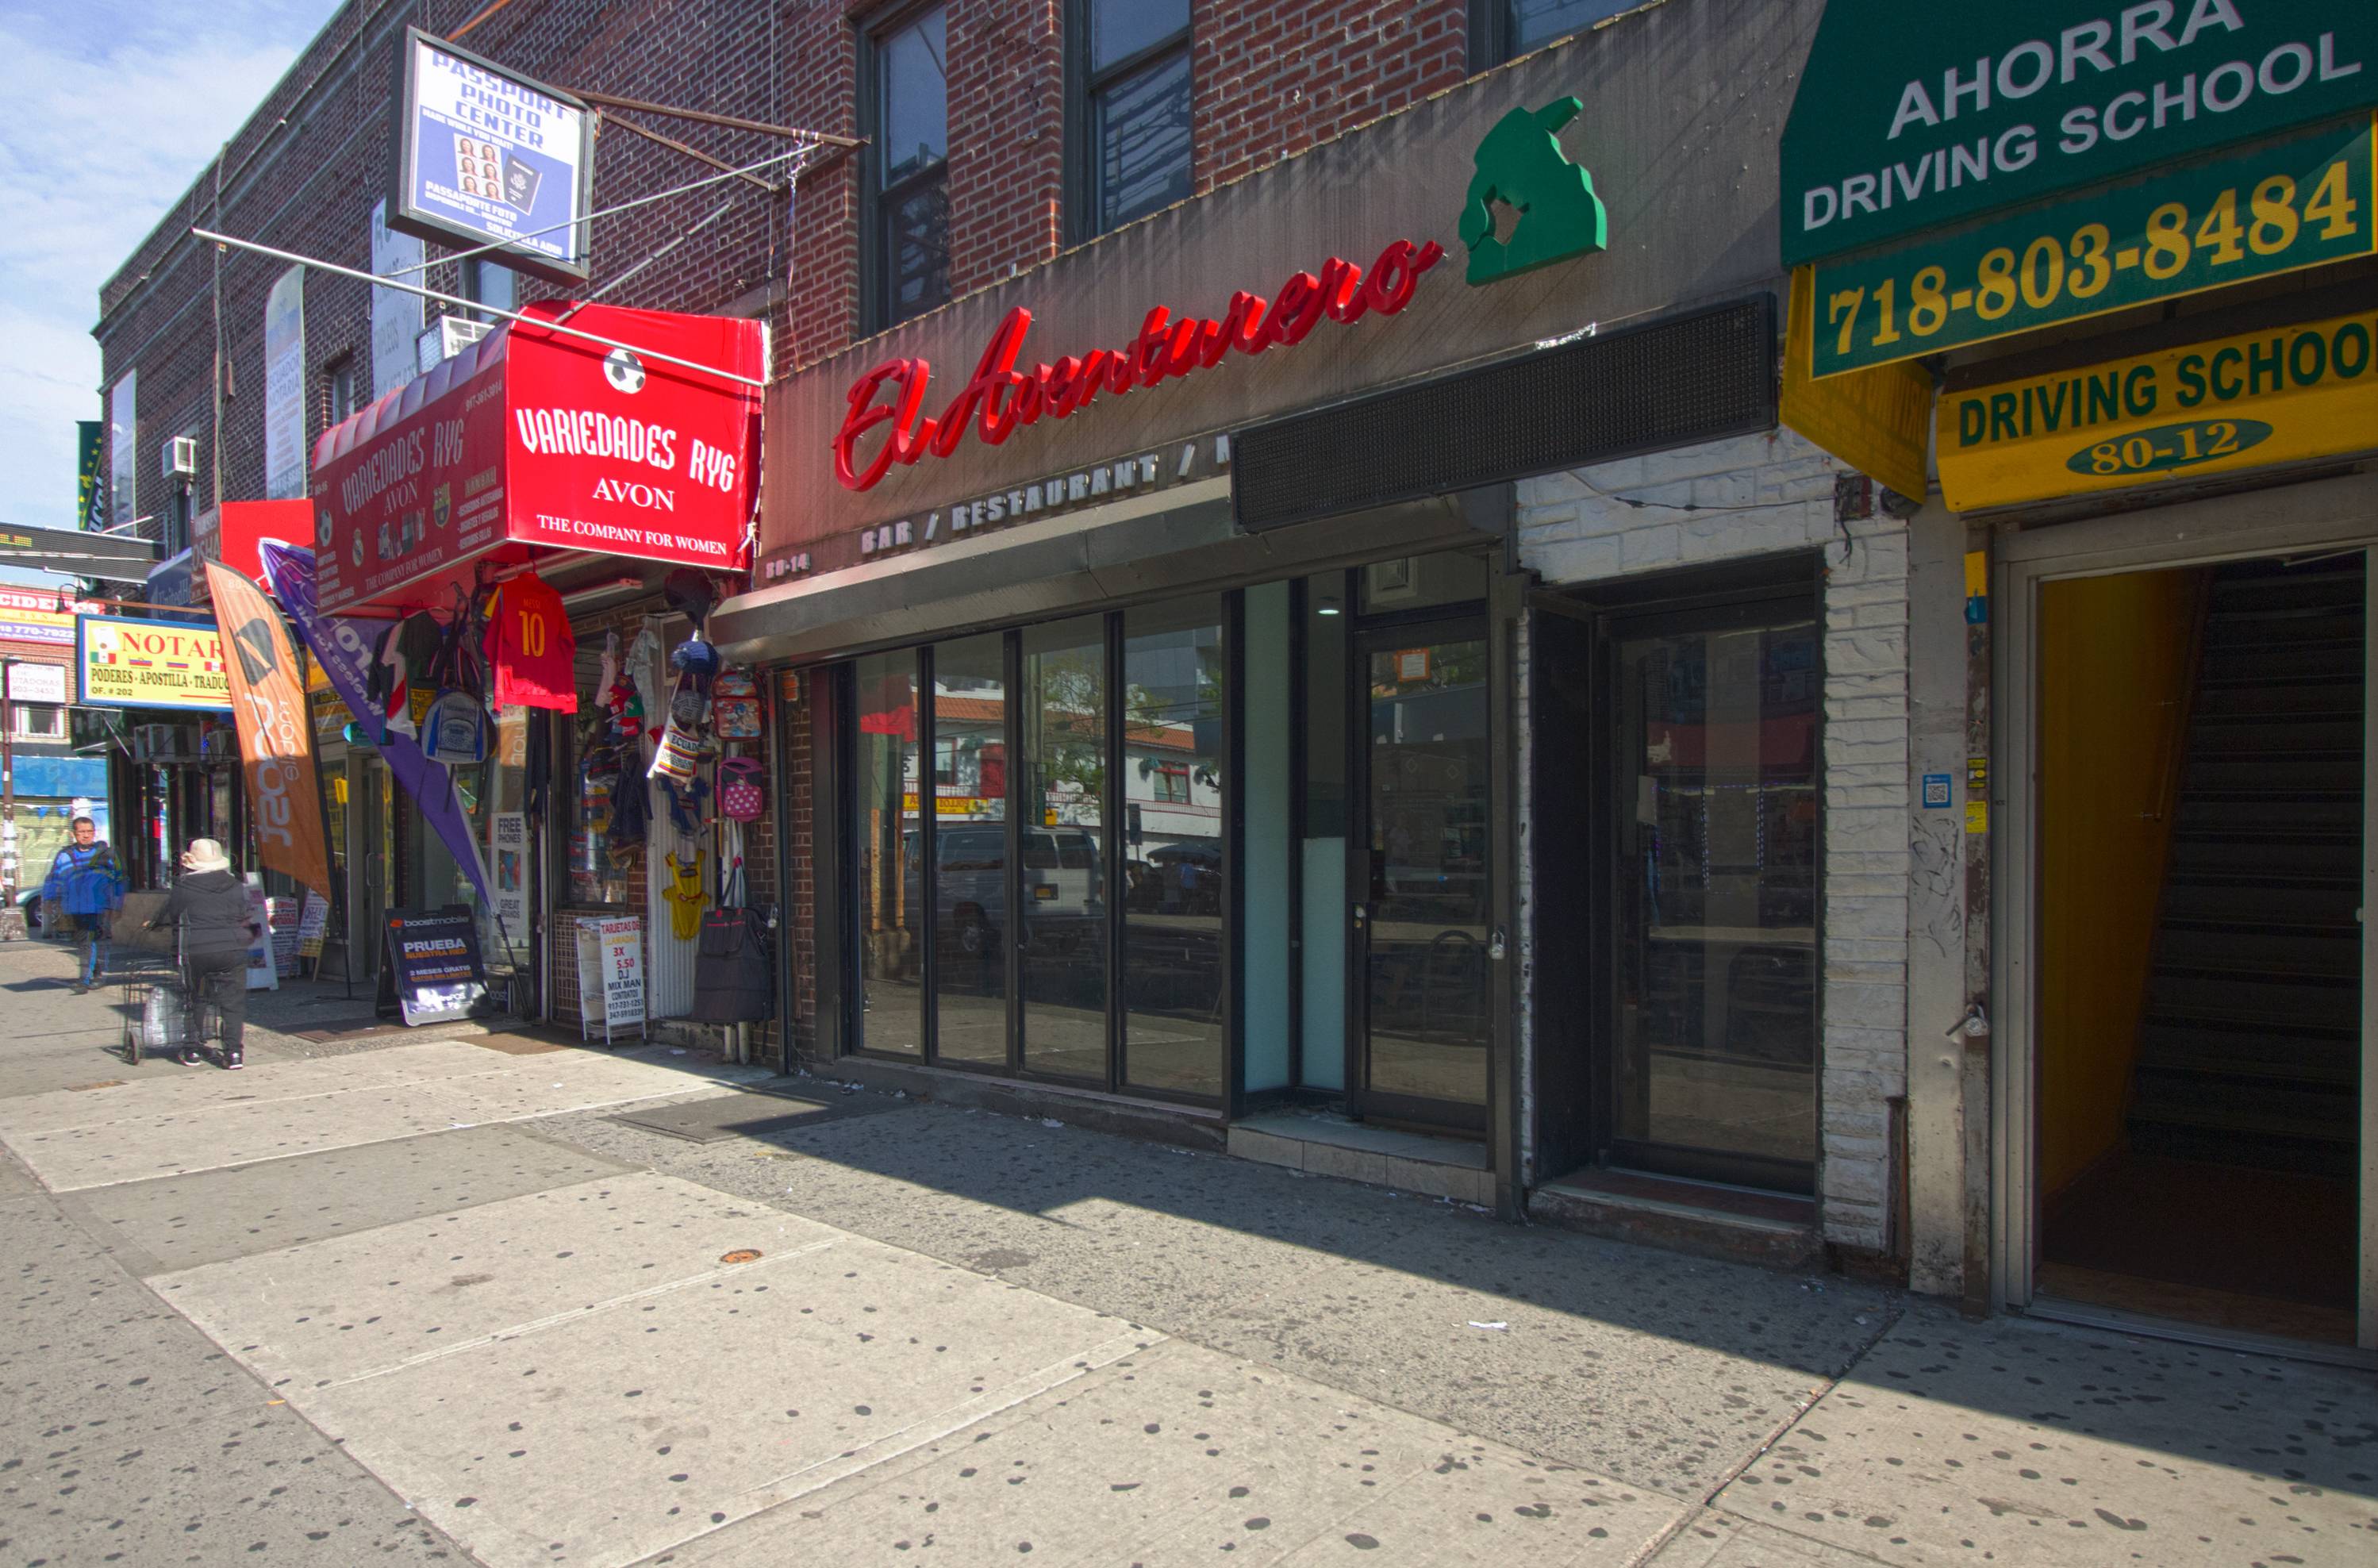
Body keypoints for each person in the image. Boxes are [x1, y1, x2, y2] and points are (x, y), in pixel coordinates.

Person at [145, 839, 258, 1069]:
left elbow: (172, 914)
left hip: (198, 949)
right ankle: (234, 1054)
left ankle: (193, 1049)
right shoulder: (236, 885)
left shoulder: (184, 886)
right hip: (232, 948)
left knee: (197, 997)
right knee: (233, 1002)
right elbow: (246, 913)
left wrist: (153, 924)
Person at [41, 815, 123, 994]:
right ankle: (96, 973)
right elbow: (53, 878)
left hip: (99, 907)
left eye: (89, 832)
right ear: (74, 834)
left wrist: (117, 906)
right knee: (85, 941)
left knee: (91, 940)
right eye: (82, 832)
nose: (86, 835)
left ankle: (85, 980)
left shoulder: (106, 855)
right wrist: (48, 899)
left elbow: (119, 881)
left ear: (94, 833)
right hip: (75, 907)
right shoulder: (65, 855)